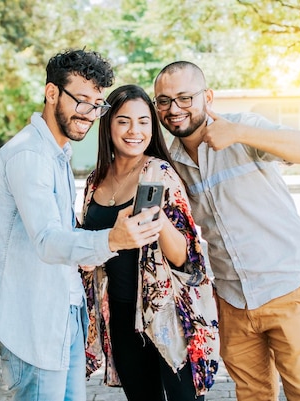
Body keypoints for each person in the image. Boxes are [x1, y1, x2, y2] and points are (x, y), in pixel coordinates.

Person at [0, 49, 164, 401]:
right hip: (34, 320)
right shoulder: (30, 155)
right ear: (51, 93)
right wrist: (111, 240)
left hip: (63, 315)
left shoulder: (57, 154)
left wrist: (89, 251)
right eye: (81, 100)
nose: (89, 113)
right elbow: (46, 240)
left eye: (97, 104)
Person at [153, 61, 300, 401]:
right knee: (252, 395)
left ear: (207, 97)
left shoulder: (243, 127)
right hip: (233, 300)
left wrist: (239, 133)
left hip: (288, 286)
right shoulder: (171, 161)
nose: (174, 109)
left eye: (184, 97)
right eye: (164, 100)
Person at [79, 84, 219, 401]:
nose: (135, 130)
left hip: (166, 314)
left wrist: (158, 221)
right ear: (108, 124)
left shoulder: (159, 173)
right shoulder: (94, 180)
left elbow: (186, 257)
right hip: (120, 315)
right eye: (124, 120)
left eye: (144, 121)